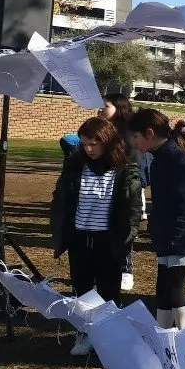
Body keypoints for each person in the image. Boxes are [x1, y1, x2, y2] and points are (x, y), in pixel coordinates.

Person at [50, 118, 142, 356]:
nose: (89, 149)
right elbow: (62, 199)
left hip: (108, 239)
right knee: (81, 287)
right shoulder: (75, 166)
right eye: (85, 144)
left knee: (109, 290)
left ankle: (109, 336)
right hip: (80, 237)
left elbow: (132, 210)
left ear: (108, 142)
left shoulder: (123, 169)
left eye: (94, 143)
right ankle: (84, 333)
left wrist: (126, 238)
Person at [128, 109, 185, 330]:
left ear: (149, 133)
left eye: (135, 137)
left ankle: (184, 340)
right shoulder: (161, 156)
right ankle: (163, 335)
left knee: (176, 292)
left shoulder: (175, 159)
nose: (133, 143)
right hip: (171, 238)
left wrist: (172, 238)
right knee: (163, 291)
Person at [98, 93, 145, 291]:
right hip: (102, 187)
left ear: (118, 107)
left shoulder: (127, 133)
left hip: (122, 187)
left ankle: (126, 270)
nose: (100, 109)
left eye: (105, 106)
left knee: (122, 228)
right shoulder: (102, 129)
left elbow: (134, 161)